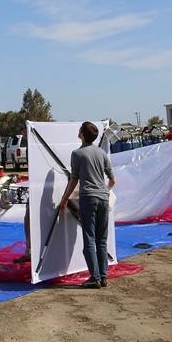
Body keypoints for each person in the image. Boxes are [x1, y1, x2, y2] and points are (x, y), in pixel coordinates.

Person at [61, 121, 116, 289]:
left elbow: (74, 180)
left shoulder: (77, 154)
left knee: (89, 239)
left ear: (82, 135)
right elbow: (113, 180)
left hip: (88, 199)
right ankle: (103, 276)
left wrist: (64, 199)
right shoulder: (101, 153)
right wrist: (105, 191)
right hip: (103, 199)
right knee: (102, 240)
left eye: (79, 131)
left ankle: (94, 277)